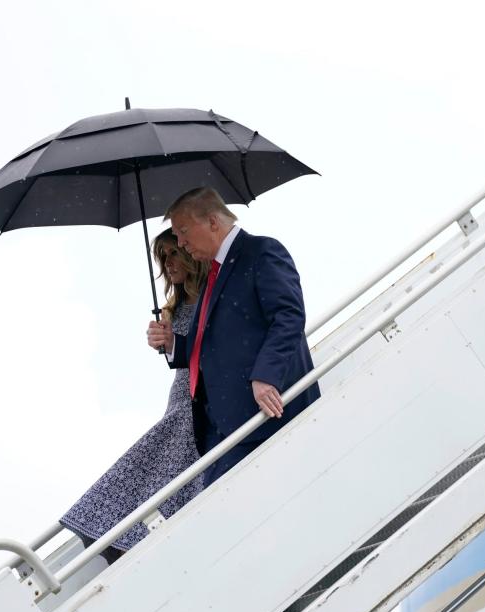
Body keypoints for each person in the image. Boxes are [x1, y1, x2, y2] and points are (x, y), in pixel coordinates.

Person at [146, 187, 320, 486]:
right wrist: (174, 342)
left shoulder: (262, 251)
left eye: (183, 231)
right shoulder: (212, 274)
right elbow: (210, 345)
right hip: (221, 430)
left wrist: (267, 375)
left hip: (263, 418)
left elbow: (288, 317)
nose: (181, 242)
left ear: (213, 222)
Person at [60, 229, 208, 561]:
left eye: (173, 253)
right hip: (182, 394)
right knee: (155, 463)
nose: (168, 263)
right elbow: (179, 356)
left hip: (201, 398)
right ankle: (109, 531)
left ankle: (131, 536)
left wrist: (174, 343)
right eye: (163, 257)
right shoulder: (174, 306)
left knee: (175, 465)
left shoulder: (210, 295)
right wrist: (166, 341)